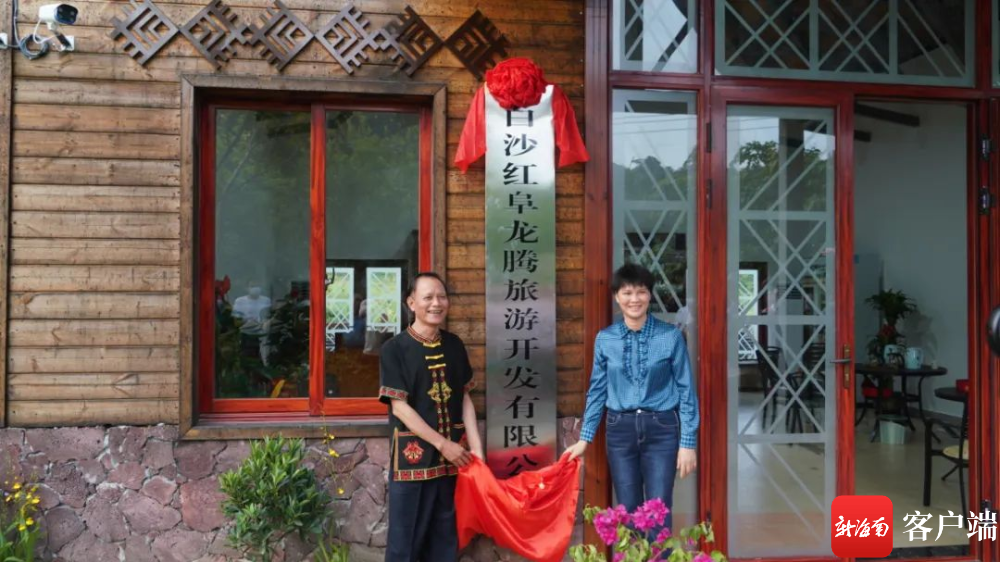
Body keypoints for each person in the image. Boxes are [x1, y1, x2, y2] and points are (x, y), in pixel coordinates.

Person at [565, 263, 699, 535]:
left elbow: (686, 390)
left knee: (658, 510)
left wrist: (687, 443)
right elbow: (597, 391)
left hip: (662, 428)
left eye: (641, 292)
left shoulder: (671, 337)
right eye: (627, 293)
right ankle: (633, 555)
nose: (634, 299)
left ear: (649, 295)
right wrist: (584, 438)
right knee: (628, 511)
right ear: (617, 297)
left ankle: (657, 554)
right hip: (620, 430)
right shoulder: (605, 339)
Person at [380, 272, 484, 562]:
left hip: (454, 462)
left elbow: (464, 397)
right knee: (404, 546)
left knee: (444, 543)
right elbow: (399, 407)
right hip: (412, 461)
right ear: (411, 303)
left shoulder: (454, 345)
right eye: (428, 297)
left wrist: (476, 449)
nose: (436, 303)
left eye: (442, 296)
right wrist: (443, 444)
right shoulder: (394, 349)